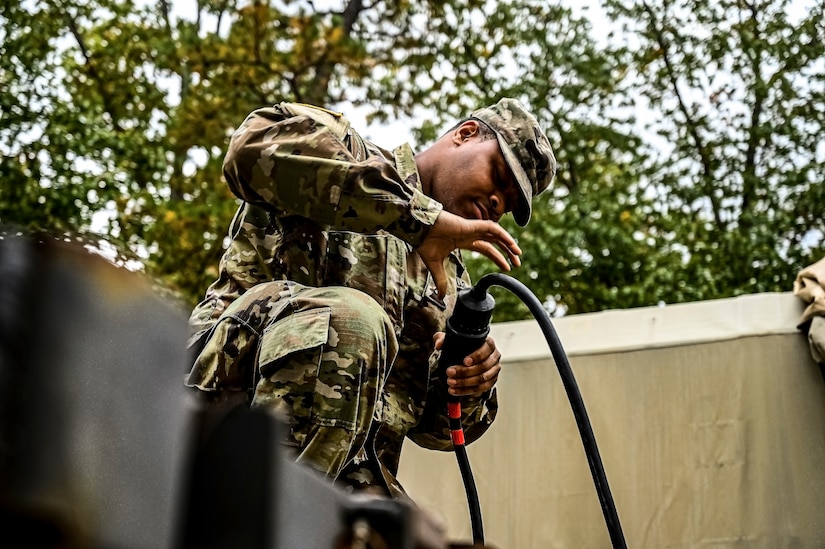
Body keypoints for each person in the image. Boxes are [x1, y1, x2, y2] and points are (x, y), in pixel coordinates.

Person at [185, 98, 556, 498]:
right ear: (465, 135)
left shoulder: (452, 286)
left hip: (345, 471)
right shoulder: (345, 149)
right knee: (352, 321)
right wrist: (413, 217)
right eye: (498, 175)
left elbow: (432, 431)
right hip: (221, 406)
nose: (499, 201)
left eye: (510, 204)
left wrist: (469, 385)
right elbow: (251, 150)